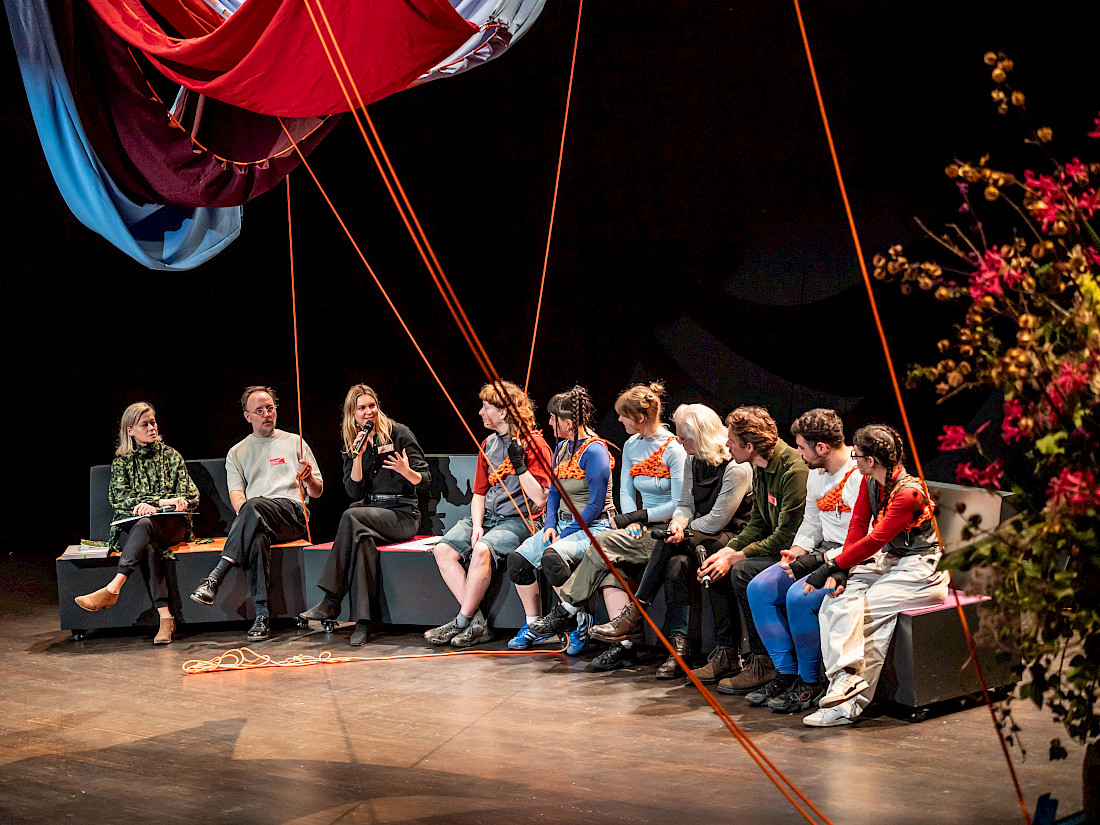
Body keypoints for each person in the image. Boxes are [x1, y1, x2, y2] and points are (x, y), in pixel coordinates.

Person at [532, 403, 748, 678]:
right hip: (682, 532)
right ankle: (677, 652)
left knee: (653, 543)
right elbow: (684, 504)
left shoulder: (734, 467)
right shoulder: (690, 459)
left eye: (684, 436)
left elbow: (716, 520)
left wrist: (676, 528)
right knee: (673, 564)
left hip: (722, 537)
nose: (679, 440)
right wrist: (663, 522)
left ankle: (609, 612)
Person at [801, 424, 950, 727]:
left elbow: (874, 540)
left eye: (856, 455)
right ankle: (844, 677)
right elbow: (858, 525)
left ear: (870, 461)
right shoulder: (872, 482)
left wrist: (830, 565)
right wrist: (842, 570)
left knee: (865, 614)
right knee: (837, 598)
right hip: (890, 561)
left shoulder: (909, 493)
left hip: (921, 568)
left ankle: (847, 705)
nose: (852, 459)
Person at [743, 409, 861, 713]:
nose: (798, 453)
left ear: (821, 448)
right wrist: (797, 550)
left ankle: (810, 682)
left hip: (851, 559)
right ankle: (786, 675)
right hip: (820, 550)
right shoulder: (816, 474)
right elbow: (811, 522)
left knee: (799, 597)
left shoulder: (859, 475)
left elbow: (865, 538)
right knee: (759, 589)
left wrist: (821, 560)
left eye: (801, 447)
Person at [189, 386, 323, 642]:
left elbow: (316, 492)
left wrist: (307, 478)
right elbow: (237, 495)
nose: (266, 415)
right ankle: (262, 615)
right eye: (259, 411)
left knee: (254, 507)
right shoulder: (237, 452)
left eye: (270, 408)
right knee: (257, 537)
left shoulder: (294, 442)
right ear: (247, 416)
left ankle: (216, 577)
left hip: (293, 515)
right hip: (257, 516)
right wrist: (249, 512)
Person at [299, 384, 430, 646]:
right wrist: (357, 456)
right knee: (362, 543)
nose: (368, 412)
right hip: (371, 515)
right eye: (362, 408)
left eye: (372, 406)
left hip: (402, 514)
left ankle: (331, 600)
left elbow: (425, 479)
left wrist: (406, 471)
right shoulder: (353, 443)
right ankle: (363, 623)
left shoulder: (398, 433)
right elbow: (354, 490)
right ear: (353, 414)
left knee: (351, 516)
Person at [425, 380, 552, 648]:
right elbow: (479, 494)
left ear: (503, 412)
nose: (481, 413)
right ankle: (477, 622)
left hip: (520, 520)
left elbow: (541, 498)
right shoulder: (488, 444)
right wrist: (477, 525)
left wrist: (519, 465)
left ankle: (461, 621)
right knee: (443, 550)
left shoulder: (535, 445)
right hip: (489, 518)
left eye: (486, 407)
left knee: (482, 550)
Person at [690, 405, 808, 694]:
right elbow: (757, 523)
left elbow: (785, 536)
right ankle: (726, 653)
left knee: (741, 570)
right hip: (773, 544)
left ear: (750, 446)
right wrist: (726, 551)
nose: (727, 444)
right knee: (714, 557)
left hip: (794, 551)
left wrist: (737, 556)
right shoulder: (759, 466)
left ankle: (763, 661)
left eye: (731, 440)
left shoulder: (793, 471)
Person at [504, 386, 617, 656]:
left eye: (553, 418)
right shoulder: (562, 448)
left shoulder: (595, 451)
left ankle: (579, 621)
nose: (549, 423)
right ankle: (536, 626)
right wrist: (550, 525)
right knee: (518, 561)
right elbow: (554, 492)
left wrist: (566, 532)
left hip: (593, 526)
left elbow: (595, 505)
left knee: (552, 557)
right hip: (564, 525)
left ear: (568, 423)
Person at [75, 402, 199, 645]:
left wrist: (173, 503)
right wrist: (157, 501)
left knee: (146, 525)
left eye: (153, 422)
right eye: (145, 425)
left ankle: (113, 588)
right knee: (147, 544)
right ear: (130, 430)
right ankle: (166, 619)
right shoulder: (122, 462)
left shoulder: (171, 456)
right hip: (132, 528)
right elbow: (119, 499)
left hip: (170, 526)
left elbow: (192, 495)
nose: (152, 428)